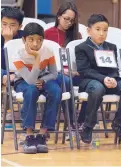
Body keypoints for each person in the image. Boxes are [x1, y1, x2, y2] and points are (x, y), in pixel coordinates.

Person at [75, 14, 121, 144]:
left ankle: (119, 124)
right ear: (89, 30)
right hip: (90, 81)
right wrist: (104, 78)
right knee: (97, 88)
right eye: (98, 29)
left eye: (105, 30)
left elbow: (114, 68)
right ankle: (88, 126)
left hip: (109, 80)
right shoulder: (81, 48)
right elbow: (84, 70)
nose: (102, 33)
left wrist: (113, 78)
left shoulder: (111, 47)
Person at [13, 23, 62, 154]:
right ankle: (29, 135)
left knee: (56, 91)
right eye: (31, 39)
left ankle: (42, 134)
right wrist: (37, 57)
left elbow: (54, 74)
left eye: (39, 40)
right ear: (24, 40)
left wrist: (43, 80)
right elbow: (29, 80)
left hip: (42, 79)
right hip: (23, 81)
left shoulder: (48, 51)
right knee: (31, 90)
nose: (35, 44)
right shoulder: (18, 55)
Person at [44, 2, 85, 139]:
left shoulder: (76, 35)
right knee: (65, 81)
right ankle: (72, 123)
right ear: (58, 16)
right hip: (55, 72)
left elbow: (79, 59)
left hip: (73, 72)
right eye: (66, 18)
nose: (68, 23)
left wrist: (76, 70)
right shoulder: (47, 34)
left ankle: (82, 122)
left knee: (92, 83)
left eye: (72, 20)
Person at [1, 7, 24, 85]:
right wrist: (7, 41)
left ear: (20, 26)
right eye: (4, 24)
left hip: (18, 72)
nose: (7, 28)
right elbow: (3, 65)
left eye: (12, 25)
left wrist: (14, 74)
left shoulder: (25, 37)